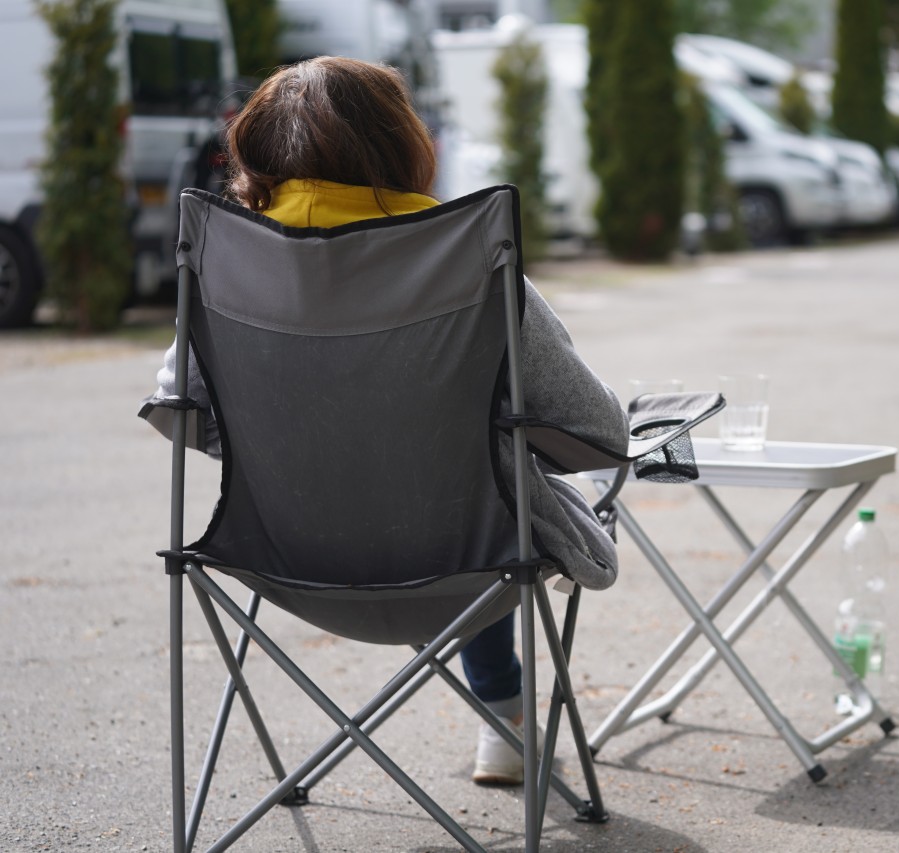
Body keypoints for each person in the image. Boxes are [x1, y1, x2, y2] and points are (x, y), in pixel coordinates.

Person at [139, 56, 629, 786]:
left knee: (466, 472)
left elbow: (179, 407)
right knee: (485, 481)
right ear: (403, 142)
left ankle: (501, 706)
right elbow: (597, 431)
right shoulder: (469, 257)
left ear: (262, 150)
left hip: (284, 556)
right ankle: (506, 712)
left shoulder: (226, 266)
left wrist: (294, 444)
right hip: (460, 563)